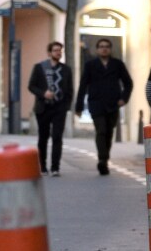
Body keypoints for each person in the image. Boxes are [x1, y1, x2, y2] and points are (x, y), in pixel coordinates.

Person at [74, 38, 132, 175]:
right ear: (97, 49)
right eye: (101, 46)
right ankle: (102, 160)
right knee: (101, 130)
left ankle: (105, 159)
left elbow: (128, 83)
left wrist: (124, 98)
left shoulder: (118, 64)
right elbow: (83, 85)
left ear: (110, 49)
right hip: (96, 103)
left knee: (109, 133)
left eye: (107, 46)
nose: (104, 49)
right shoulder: (90, 65)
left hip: (113, 104)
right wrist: (79, 106)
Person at [27, 41, 73, 176]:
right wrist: (43, 94)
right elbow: (31, 86)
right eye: (55, 50)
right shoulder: (39, 67)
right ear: (49, 53)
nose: (58, 53)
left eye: (60, 50)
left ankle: (55, 167)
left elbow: (70, 89)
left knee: (57, 137)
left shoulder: (66, 69)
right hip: (43, 108)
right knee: (43, 137)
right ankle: (42, 166)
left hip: (60, 108)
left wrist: (66, 106)